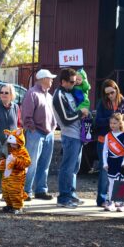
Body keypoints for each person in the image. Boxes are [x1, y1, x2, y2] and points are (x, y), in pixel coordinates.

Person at [52, 68, 89, 208]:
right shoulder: (59, 95)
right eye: (72, 82)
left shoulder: (69, 93)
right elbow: (66, 118)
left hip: (77, 135)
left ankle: (71, 195)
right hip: (70, 135)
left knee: (74, 168)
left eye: (75, 81)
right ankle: (63, 198)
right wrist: (81, 113)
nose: (75, 84)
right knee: (67, 167)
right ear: (63, 82)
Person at [95, 79, 124, 207]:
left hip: (120, 141)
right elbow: (97, 121)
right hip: (105, 140)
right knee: (105, 169)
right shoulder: (102, 103)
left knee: (122, 170)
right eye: (107, 94)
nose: (110, 96)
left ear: (116, 90)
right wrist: (112, 119)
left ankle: (120, 200)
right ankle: (103, 199)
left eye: (111, 92)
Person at [21, 69, 57, 201]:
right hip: (36, 133)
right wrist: (33, 130)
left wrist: (52, 129)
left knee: (44, 164)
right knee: (32, 163)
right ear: (43, 79)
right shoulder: (32, 93)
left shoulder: (49, 95)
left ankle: (41, 190)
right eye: (50, 78)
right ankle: (26, 191)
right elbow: (26, 115)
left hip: (48, 134)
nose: (52, 80)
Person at [0, 83, 22, 201]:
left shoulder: (16, 107)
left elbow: (18, 125)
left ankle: (7, 193)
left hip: (11, 145)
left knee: (10, 169)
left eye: (6, 93)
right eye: (1, 92)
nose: (3, 94)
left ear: (11, 95)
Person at [102, 113, 124, 212]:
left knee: (122, 182)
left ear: (120, 123)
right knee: (111, 182)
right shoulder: (108, 135)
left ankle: (122, 203)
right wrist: (105, 163)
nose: (112, 125)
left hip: (121, 161)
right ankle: (111, 202)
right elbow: (105, 150)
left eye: (114, 123)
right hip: (111, 161)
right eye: (111, 123)